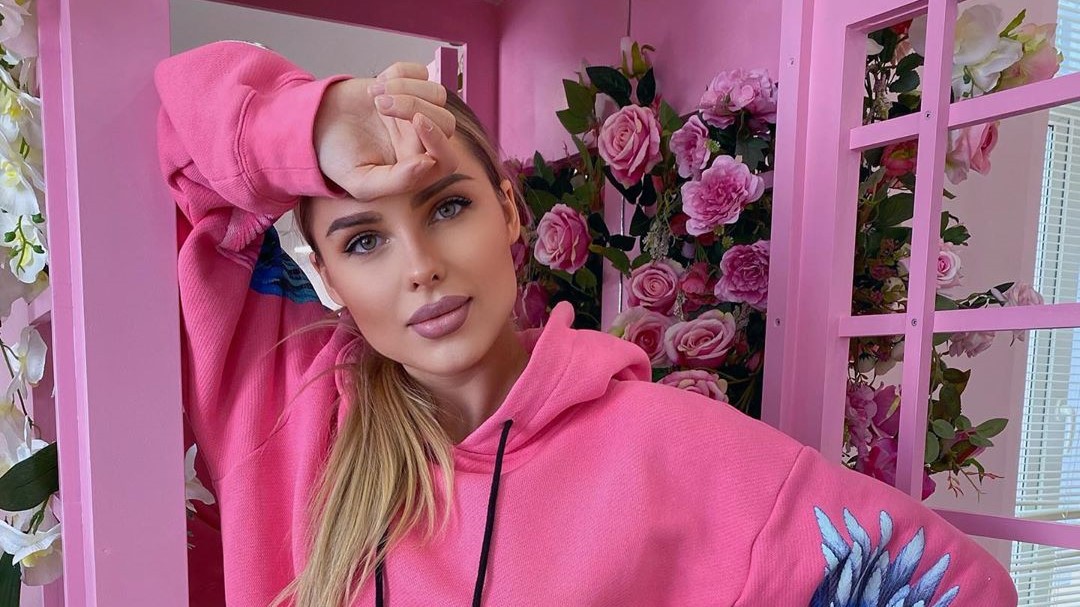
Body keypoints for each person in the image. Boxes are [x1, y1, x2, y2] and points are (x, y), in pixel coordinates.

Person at [155, 40, 1019, 607]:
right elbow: (170, 149)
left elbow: (954, 587)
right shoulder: (286, 406)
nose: (419, 265)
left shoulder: (669, 445)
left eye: (448, 206)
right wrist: (314, 124)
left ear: (508, 210)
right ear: (325, 274)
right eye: (364, 239)